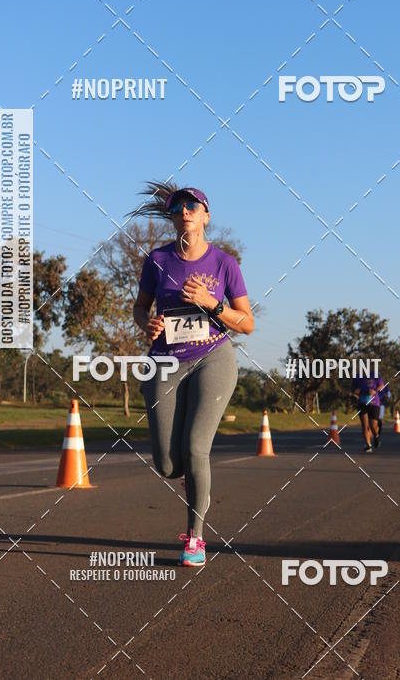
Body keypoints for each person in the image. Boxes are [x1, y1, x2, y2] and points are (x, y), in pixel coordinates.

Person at [132, 185, 254, 566]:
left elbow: (246, 323)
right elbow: (140, 308)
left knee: (196, 447)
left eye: (192, 205)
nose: (184, 210)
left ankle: (195, 539)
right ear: (172, 218)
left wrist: (211, 303)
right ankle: (190, 476)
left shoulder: (224, 264)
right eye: (177, 207)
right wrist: (146, 325)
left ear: (205, 216)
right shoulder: (157, 260)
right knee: (168, 465)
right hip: (165, 360)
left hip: (212, 357)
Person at [351, 371, 384, 452]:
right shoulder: (357, 376)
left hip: (374, 403)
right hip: (362, 403)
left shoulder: (374, 375)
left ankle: (376, 436)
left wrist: (375, 391)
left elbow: (381, 385)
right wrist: (356, 391)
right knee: (365, 425)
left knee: (373, 425)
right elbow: (353, 389)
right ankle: (368, 446)